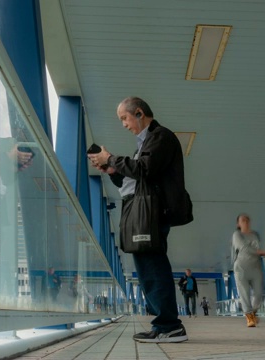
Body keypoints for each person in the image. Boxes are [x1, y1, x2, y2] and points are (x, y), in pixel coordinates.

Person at [87, 96, 190, 343]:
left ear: (140, 113)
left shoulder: (160, 137)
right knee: (147, 267)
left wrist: (111, 159)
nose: (124, 124)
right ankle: (164, 324)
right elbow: (134, 180)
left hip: (153, 212)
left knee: (153, 266)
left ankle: (169, 326)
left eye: (125, 118)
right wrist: (113, 171)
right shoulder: (144, 144)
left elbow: (144, 169)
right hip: (143, 209)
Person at [231, 213, 265, 327]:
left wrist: (264, 254)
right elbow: (245, 248)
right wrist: (263, 252)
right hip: (241, 268)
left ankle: (253, 312)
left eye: (247, 220)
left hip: (255, 267)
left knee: (259, 293)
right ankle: (249, 317)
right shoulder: (237, 234)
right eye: (243, 220)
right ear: (238, 223)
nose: (245, 222)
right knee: (244, 293)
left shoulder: (255, 234)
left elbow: (257, 248)